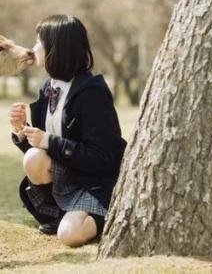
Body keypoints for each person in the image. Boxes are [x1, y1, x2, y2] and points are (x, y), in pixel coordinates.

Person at [8, 14, 127, 247]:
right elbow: (45, 144)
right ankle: (55, 216)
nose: (33, 48)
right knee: (33, 158)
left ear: (57, 48)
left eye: (39, 43)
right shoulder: (48, 87)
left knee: (70, 236)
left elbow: (102, 158)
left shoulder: (92, 93)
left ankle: (106, 217)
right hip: (66, 176)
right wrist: (21, 130)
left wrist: (47, 141)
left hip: (95, 183)